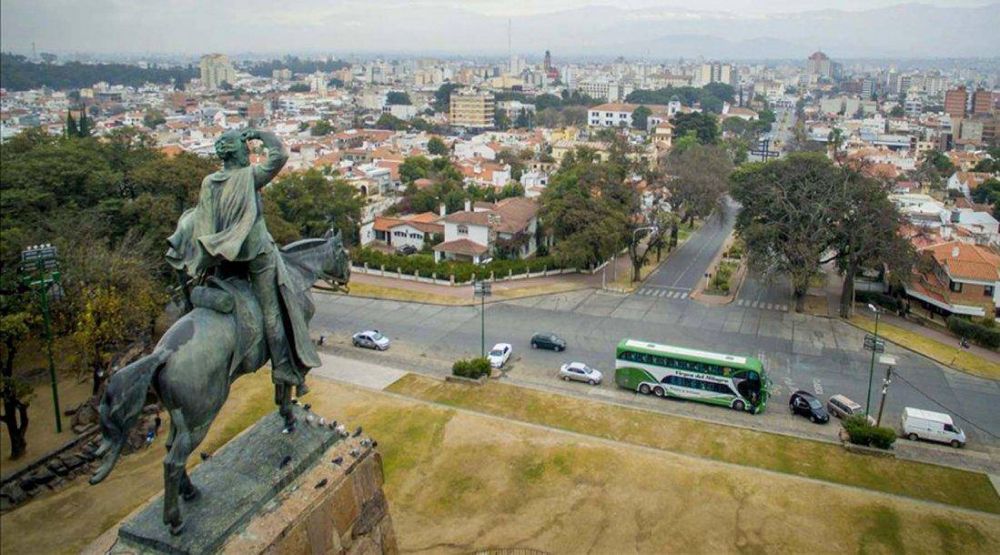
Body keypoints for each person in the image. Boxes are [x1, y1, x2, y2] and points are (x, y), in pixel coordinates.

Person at [166, 128, 320, 401]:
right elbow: (280, 154)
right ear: (239, 152)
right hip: (254, 253)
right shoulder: (249, 177)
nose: (249, 152)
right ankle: (283, 368)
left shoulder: (210, 182)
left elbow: (203, 220)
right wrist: (261, 134)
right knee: (272, 312)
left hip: (222, 255)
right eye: (246, 149)